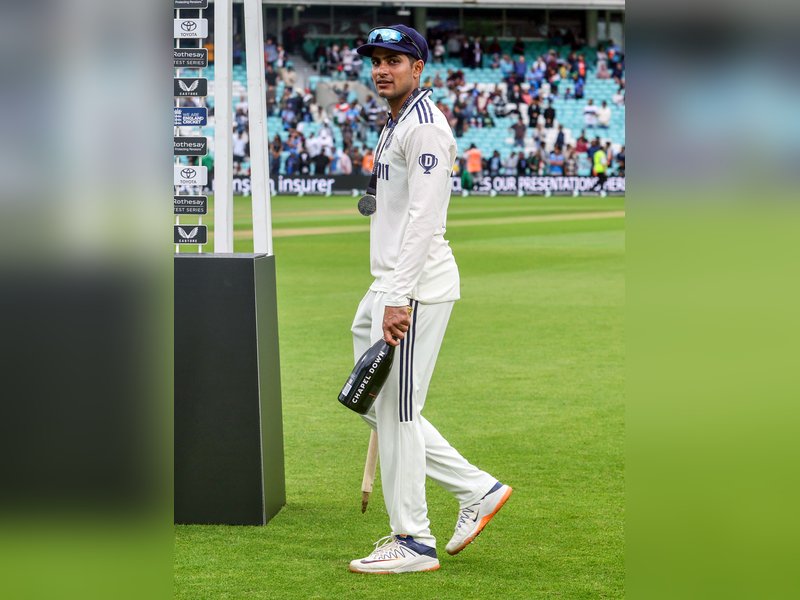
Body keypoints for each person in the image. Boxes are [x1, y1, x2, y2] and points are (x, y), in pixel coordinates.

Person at [349, 24, 512, 575]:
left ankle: (413, 541)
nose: (381, 69)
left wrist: (398, 298)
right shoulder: (396, 121)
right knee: (373, 401)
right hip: (388, 283)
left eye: (394, 60)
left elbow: (424, 221)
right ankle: (476, 488)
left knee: (396, 410)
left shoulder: (425, 127)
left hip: (414, 287)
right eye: (376, 60)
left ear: (418, 68)